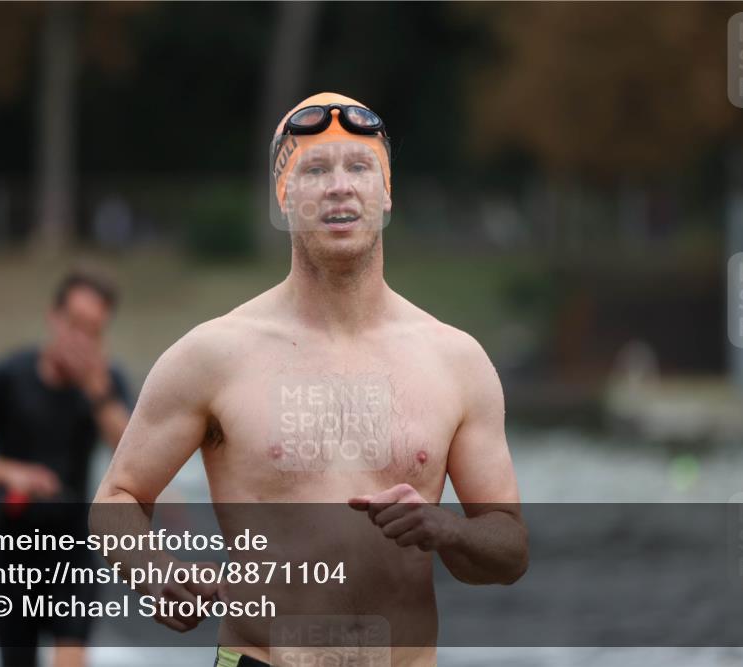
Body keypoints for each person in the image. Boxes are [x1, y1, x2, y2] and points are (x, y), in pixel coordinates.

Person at [94, 92, 528, 666]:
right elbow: (115, 499)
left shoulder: (456, 361)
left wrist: (445, 528)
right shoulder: (214, 354)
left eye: (359, 167)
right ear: (284, 196)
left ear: (386, 191)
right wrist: (156, 573)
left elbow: (508, 547)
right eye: (315, 170)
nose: (339, 186)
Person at [0, 269, 135, 667]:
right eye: (74, 324)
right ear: (54, 318)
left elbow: (133, 457)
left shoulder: (106, 385)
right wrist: (9, 473)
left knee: (72, 657)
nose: (79, 339)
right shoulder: (8, 376)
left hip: (73, 547)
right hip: (11, 549)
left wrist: (96, 391)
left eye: (93, 331)